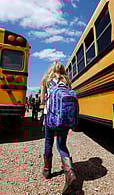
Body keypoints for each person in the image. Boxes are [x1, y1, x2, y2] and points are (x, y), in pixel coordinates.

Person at [40, 61, 78, 194]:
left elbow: (42, 100)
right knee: (62, 145)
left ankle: (47, 170)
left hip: (51, 116)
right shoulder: (66, 80)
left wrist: (45, 99)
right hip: (65, 118)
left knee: (49, 141)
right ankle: (70, 173)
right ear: (62, 69)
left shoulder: (47, 79)